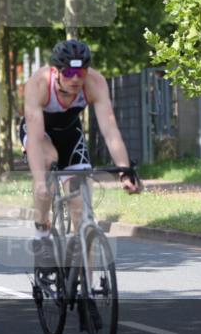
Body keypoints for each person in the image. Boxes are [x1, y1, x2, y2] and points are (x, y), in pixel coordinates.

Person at [18, 39, 140, 282]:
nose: (76, 79)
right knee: (48, 165)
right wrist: (40, 181)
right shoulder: (39, 83)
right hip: (38, 135)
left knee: (82, 213)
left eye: (81, 72)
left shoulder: (94, 83)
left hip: (71, 137)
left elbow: (110, 131)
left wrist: (125, 172)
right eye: (69, 72)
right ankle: (41, 235)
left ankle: (87, 289)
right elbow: (33, 135)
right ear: (56, 71)